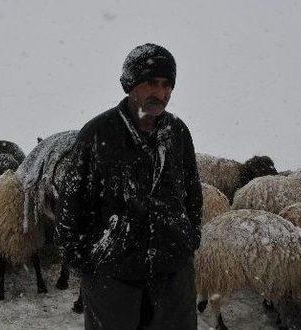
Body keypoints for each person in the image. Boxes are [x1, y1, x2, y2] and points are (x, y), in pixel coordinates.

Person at [55, 43, 203, 330]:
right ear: (131, 85)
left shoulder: (177, 133)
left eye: (166, 85)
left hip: (172, 275)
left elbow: (192, 196)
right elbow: (71, 206)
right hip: (113, 277)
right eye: (150, 83)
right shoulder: (98, 134)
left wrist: (187, 238)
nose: (160, 94)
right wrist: (89, 259)